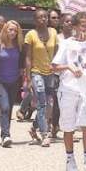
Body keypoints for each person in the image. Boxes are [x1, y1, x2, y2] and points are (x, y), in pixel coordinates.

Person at [51, 12, 86, 171]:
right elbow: (54, 66)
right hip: (69, 88)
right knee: (69, 126)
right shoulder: (66, 43)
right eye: (83, 25)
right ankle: (70, 159)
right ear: (74, 27)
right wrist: (70, 67)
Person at [0, 20, 24, 147]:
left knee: (8, 110)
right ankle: (5, 135)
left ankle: (6, 134)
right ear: (5, 30)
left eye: (15, 30)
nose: (13, 32)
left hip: (14, 82)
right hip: (1, 81)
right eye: (10, 30)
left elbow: (22, 65)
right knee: (5, 107)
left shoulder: (19, 46)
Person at [25, 9, 58, 147]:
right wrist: (27, 78)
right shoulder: (30, 35)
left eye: (45, 17)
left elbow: (56, 51)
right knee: (42, 103)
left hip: (50, 73)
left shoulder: (54, 32)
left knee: (49, 104)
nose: (43, 19)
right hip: (36, 72)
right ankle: (45, 134)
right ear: (35, 20)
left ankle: (33, 128)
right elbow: (27, 57)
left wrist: (56, 66)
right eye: (40, 17)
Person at [47, 9, 61, 138]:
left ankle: (54, 125)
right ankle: (43, 126)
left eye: (57, 18)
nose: (55, 20)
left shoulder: (60, 35)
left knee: (56, 100)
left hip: (58, 72)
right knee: (47, 100)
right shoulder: (44, 34)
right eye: (53, 18)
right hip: (44, 70)